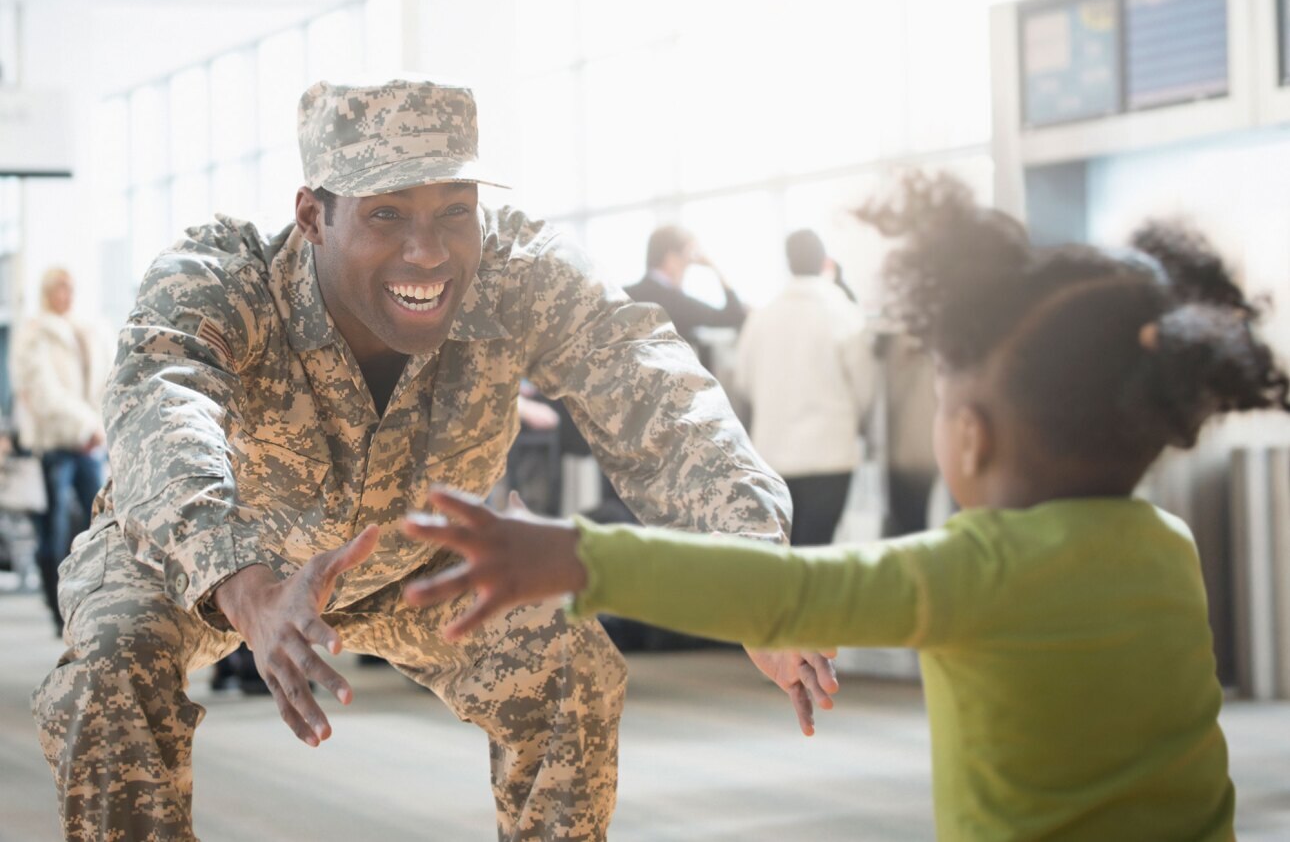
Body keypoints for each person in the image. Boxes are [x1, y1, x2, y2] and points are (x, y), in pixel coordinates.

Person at [30, 75, 835, 842]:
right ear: (313, 215)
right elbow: (161, 410)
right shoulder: (219, 280)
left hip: (411, 560)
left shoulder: (518, 273)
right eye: (386, 214)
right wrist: (247, 588)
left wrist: (754, 571)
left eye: (455, 210)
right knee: (110, 668)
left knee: (567, 664)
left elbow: (650, 384)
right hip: (203, 558)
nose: (428, 252)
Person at [400, 172, 1290, 840]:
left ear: (971, 437)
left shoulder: (973, 568)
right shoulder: (1171, 547)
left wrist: (570, 555)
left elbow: (789, 593)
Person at [734, 229, 875, 544]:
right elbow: (865, 387)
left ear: (788, 263)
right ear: (824, 261)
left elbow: (743, 382)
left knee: (782, 554)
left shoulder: (761, 317)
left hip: (772, 456)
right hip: (831, 456)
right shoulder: (843, 311)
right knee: (819, 554)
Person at [11, 267, 108, 635]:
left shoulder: (86, 330)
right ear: (47, 291)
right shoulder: (34, 333)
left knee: (97, 528)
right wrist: (86, 426)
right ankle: (59, 610)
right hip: (57, 444)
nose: (65, 295)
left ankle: (89, 605)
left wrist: (97, 428)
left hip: (90, 445)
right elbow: (43, 391)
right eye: (58, 288)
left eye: (70, 287)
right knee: (54, 533)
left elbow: (100, 383)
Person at [624, 225, 746, 369]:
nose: (688, 266)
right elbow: (734, 316)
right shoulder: (679, 304)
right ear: (671, 259)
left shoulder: (624, 295)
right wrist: (714, 267)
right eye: (688, 259)